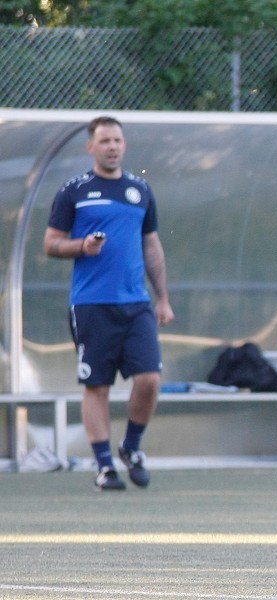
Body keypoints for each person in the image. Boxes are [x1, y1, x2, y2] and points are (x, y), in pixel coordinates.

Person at [44, 116, 174, 491]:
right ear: (91, 147)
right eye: (104, 141)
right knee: (96, 387)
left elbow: (151, 245)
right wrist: (81, 246)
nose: (112, 146)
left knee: (149, 379)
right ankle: (104, 467)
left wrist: (163, 298)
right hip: (90, 304)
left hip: (136, 304)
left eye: (117, 140)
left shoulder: (140, 190)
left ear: (124, 145)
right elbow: (51, 243)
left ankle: (131, 448)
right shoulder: (74, 191)